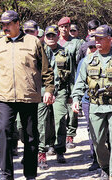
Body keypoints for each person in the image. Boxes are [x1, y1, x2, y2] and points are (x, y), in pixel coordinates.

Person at [0, 10, 54, 180]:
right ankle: (6, 174)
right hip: (4, 98)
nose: (5, 27)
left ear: (17, 24)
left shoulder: (34, 43)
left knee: (30, 137)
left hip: (29, 96)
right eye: (3, 24)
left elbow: (46, 70)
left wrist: (49, 90)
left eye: (8, 24)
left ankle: (30, 174)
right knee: (4, 134)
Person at [72, 24, 112, 180]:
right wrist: (76, 99)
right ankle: (105, 166)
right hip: (96, 106)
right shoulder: (88, 60)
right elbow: (80, 82)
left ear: (110, 39)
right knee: (98, 142)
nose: (97, 42)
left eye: (101, 39)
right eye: (96, 38)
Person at [38, 25, 73, 169]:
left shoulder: (66, 53)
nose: (51, 38)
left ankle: (59, 150)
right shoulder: (39, 53)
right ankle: (42, 153)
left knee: (60, 120)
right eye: (48, 36)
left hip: (60, 91)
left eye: (53, 35)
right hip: (42, 91)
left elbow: (72, 75)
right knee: (42, 123)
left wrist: (71, 95)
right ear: (44, 37)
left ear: (58, 36)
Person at [58, 17, 82, 149]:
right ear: (59, 28)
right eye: (62, 27)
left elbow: (79, 63)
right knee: (60, 111)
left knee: (73, 111)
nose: (64, 29)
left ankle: (70, 135)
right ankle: (59, 137)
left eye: (66, 26)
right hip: (59, 82)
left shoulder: (76, 43)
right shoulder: (54, 41)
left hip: (72, 80)